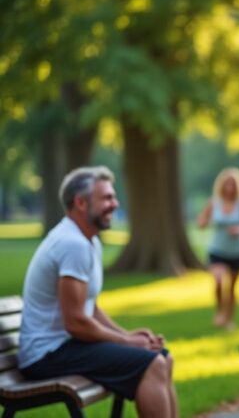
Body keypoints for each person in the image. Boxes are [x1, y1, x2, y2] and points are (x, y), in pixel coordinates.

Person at [18, 166, 178, 418]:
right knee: (152, 364)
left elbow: (89, 307)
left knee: (161, 357)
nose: (114, 204)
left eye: (113, 197)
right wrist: (126, 342)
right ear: (80, 202)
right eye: (106, 198)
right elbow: (75, 322)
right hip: (46, 354)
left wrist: (128, 335)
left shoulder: (88, 241)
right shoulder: (72, 244)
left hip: (65, 346)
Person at [197, 167, 239, 330]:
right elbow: (202, 220)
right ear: (221, 185)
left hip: (237, 251)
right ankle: (219, 312)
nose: (229, 187)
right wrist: (202, 222)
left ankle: (229, 319)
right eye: (227, 184)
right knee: (218, 281)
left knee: (232, 289)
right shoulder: (213, 202)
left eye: (233, 184)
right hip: (217, 249)